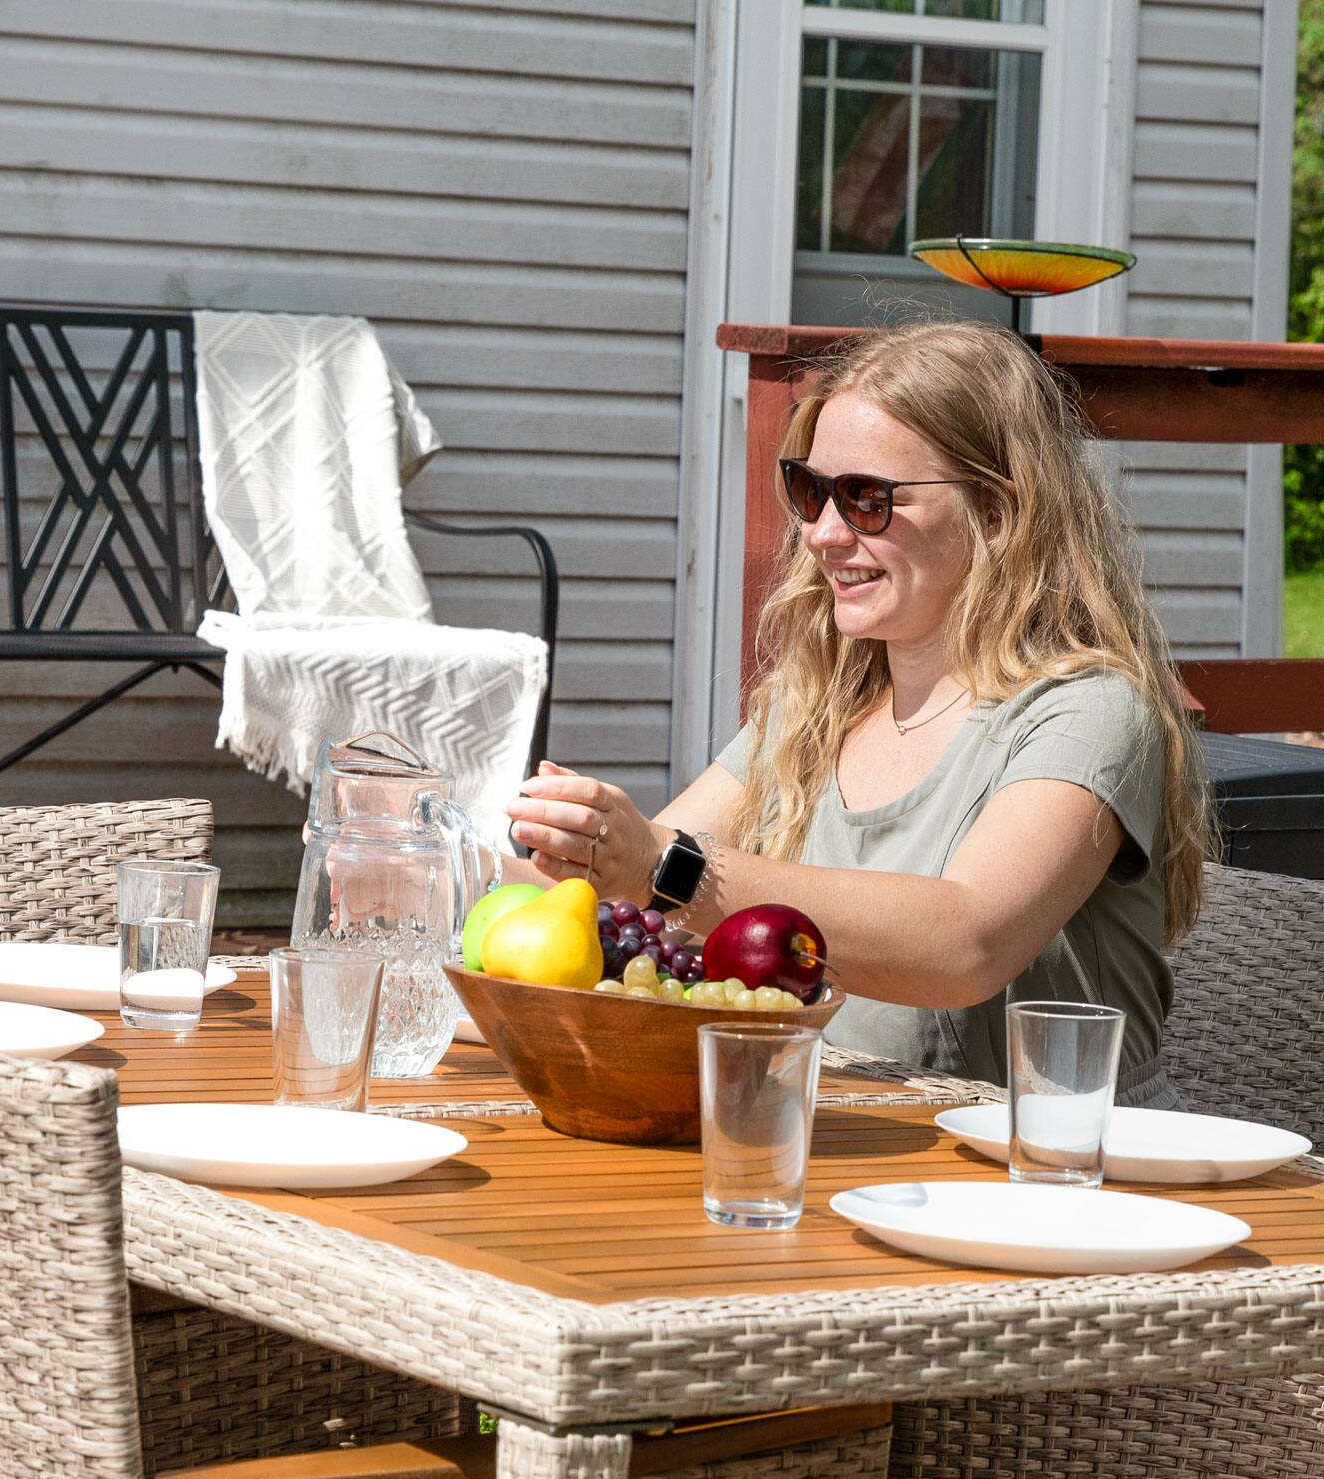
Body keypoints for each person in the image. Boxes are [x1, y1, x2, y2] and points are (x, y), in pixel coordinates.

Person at [509, 318, 1207, 1093]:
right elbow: (630, 884)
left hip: (1063, 1173)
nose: (822, 535)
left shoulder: (1091, 711)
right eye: (811, 493)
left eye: (867, 498)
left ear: (1001, 513)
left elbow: (967, 941)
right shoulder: (820, 702)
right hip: (853, 1144)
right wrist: (442, 860)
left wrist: (660, 867)